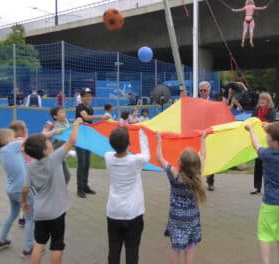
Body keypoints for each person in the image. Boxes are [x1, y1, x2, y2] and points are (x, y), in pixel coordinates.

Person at [22, 118, 82, 264]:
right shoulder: (54, 158)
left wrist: (24, 202)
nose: (50, 142)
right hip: (57, 211)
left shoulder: (31, 167)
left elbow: (25, 188)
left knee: (39, 244)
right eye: (48, 142)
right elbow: (72, 140)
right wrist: (76, 124)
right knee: (57, 245)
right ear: (45, 149)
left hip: (40, 212)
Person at [245, 122, 279, 264]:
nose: (265, 137)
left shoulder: (268, 154)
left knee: (265, 235)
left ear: (273, 141)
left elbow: (256, 145)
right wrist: (269, 128)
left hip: (273, 203)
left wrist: (250, 130)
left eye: (267, 135)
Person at [156, 131, 206, 264]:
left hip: (176, 218)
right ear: (197, 165)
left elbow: (159, 157)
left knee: (175, 247)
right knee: (190, 247)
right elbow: (203, 156)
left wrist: (159, 140)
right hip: (192, 217)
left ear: (180, 162)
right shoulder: (198, 176)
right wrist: (203, 139)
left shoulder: (174, 174)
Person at [105, 127, 150, 264]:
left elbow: (115, 148)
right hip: (133, 214)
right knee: (132, 250)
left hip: (113, 213)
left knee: (113, 249)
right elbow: (147, 155)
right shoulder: (135, 161)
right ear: (129, 143)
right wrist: (142, 134)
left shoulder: (108, 157)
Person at [0, 129, 34, 258]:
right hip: (21, 190)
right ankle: (28, 248)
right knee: (30, 217)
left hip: (11, 190)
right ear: (6, 140)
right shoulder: (11, 146)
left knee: (13, 213)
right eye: (12, 136)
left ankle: (1, 240)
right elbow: (32, 139)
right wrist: (51, 131)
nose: (15, 138)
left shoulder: (3, 151)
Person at [75, 88, 107, 198]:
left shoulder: (90, 108)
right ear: (82, 97)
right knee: (82, 162)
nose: (89, 98)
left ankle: (85, 186)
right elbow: (86, 117)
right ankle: (79, 189)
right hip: (80, 139)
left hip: (88, 139)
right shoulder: (79, 107)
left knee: (87, 162)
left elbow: (90, 124)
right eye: (86, 95)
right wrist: (102, 117)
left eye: (90, 95)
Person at [9, 120, 34, 228]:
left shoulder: (16, 141)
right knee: (30, 195)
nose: (26, 130)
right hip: (27, 170)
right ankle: (26, 218)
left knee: (29, 195)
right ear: (17, 131)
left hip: (25, 171)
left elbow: (27, 140)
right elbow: (29, 143)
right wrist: (46, 131)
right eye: (23, 128)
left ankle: (23, 218)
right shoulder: (19, 142)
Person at [250, 92, 276, 195]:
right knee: (258, 164)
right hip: (258, 139)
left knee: (268, 165)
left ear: (268, 101)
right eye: (260, 99)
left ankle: (269, 187)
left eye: (264, 99)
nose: (261, 101)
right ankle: (257, 187)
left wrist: (262, 124)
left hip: (267, 140)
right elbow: (251, 121)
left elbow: (271, 124)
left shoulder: (271, 111)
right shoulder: (256, 110)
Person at [45, 107, 72, 184]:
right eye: (61, 112)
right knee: (64, 176)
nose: (64, 113)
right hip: (54, 156)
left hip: (60, 156)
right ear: (55, 116)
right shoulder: (57, 129)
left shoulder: (66, 123)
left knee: (65, 176)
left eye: (64, 111)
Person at [199, 81, 216, 191]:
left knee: (209, 157)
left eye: (204, 90)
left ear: (209, 90)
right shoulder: (195, 101)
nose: (202, 92)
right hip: (198, 133)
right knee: (196, 157)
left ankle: (210, 182)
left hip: (209, 133)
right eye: (201, 90)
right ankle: (195, 181)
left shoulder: (214, 102)